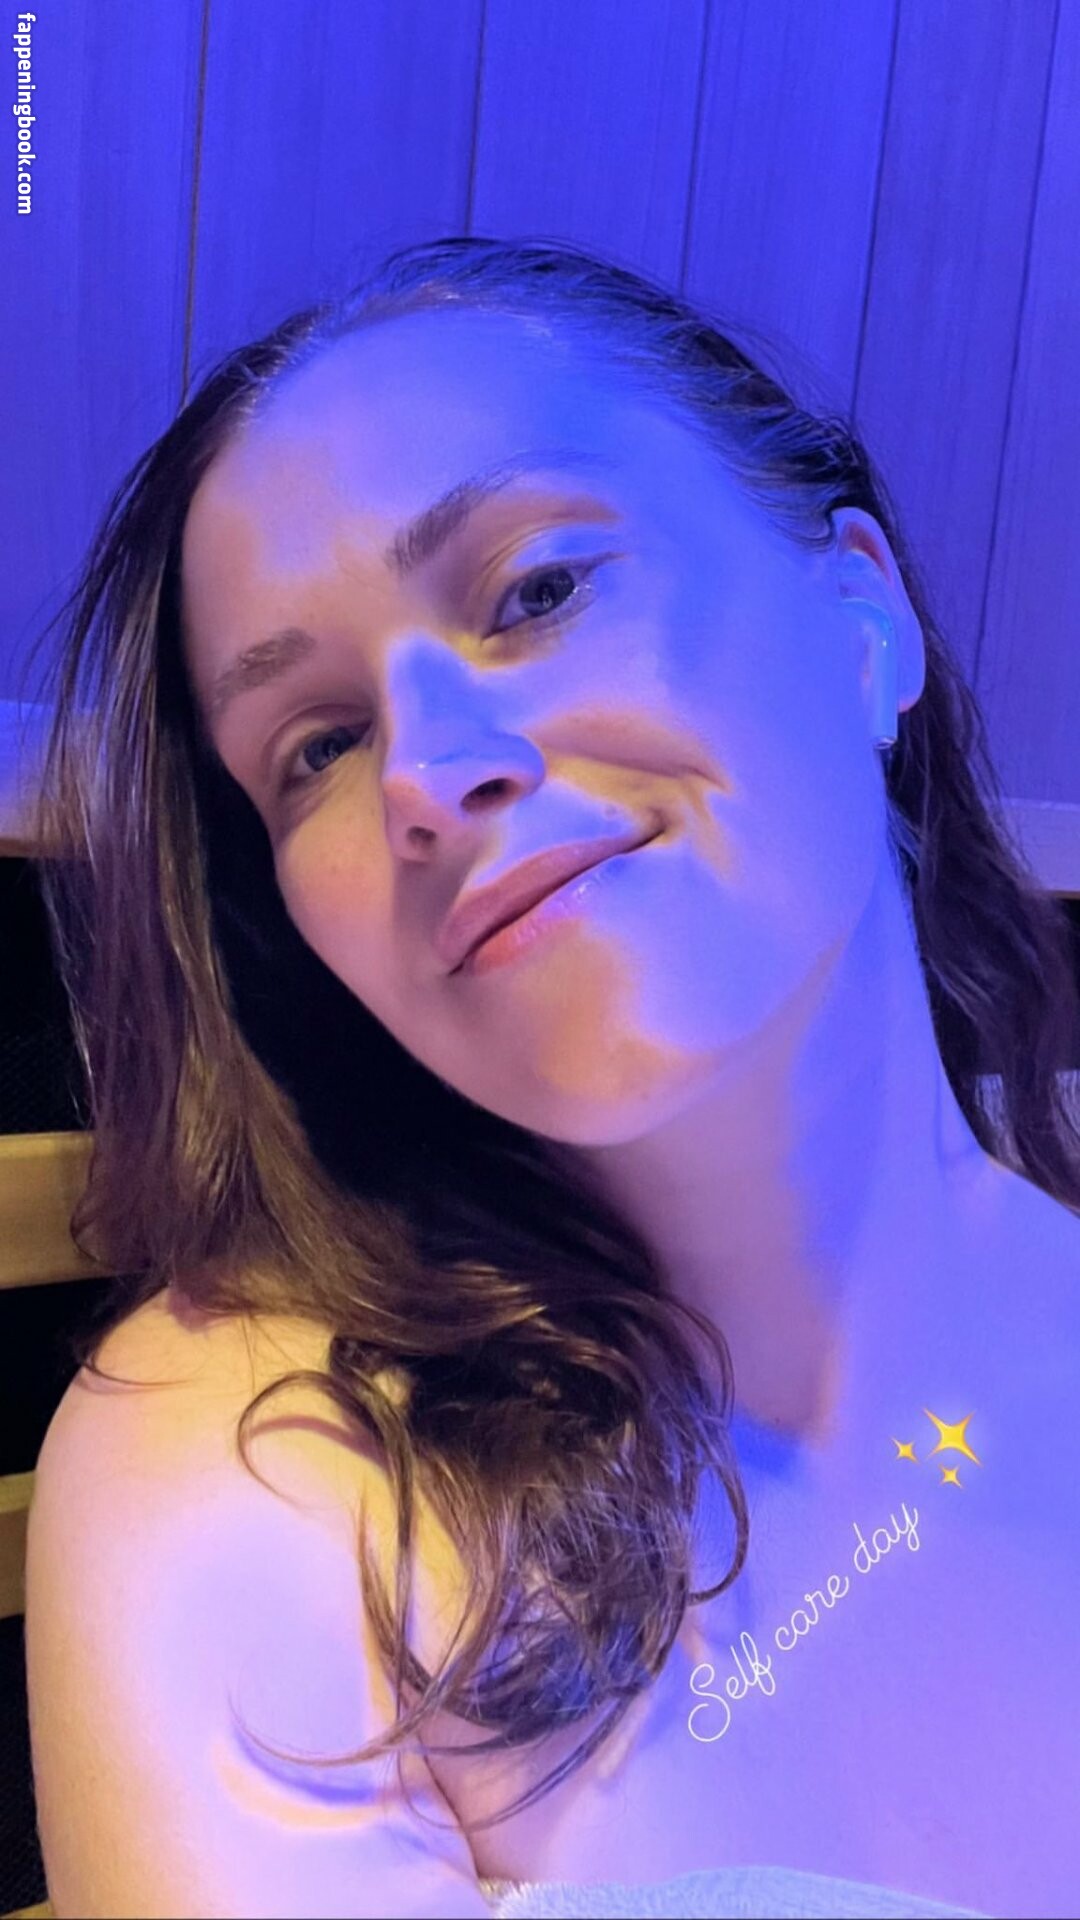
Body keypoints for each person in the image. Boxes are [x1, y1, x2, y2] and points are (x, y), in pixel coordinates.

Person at [20, 236, 1080, 1920]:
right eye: (318, 747)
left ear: (861, 609)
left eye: (538, 591)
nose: (426, 773)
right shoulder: (258, 1489)